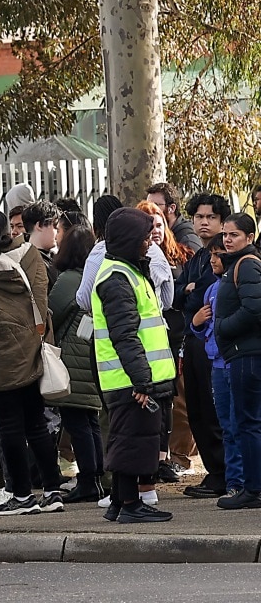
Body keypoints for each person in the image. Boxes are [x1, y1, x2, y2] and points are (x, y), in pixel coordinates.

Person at [0, 208, 65, 516]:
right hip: (34, 351)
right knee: (37, 425)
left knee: (8, 430)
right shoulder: (34, 257)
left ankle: (21, 496)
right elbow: (42, 302)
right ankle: (52, 490)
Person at [90, 207, 177, 523]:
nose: (149, 242)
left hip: (132, 377)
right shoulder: (117, 278)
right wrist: (142, 381)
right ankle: (130, 504)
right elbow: (125, 336)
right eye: (144, 237)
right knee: (132, 442)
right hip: (129, 379)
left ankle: (119, 502)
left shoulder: (127, 271)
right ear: (129, 239)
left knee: (133, 438)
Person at [135, 199, 196, 481]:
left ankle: (171, 456)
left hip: (175, 336)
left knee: (172, 399)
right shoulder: (136, 259)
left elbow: (174, 296)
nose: (155, 231)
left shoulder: (182, 254)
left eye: (159, 224)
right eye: (149, 226)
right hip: (152, 337)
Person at [178, 193, 231, 497]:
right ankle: (213, 471)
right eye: (199, 217)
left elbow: (202, 296)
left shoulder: (224, 255)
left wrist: (191, 292)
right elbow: (174, 293)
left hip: (211, 342)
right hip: (192, 338)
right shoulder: (197, 256)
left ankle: (222, 473)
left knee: (212, 410)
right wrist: (187, 290)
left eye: (211, 217)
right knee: (195, 409)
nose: (204, 222)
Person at [49, 225, 106, 503]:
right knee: (89, 421)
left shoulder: (69, 279)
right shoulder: (95, 275)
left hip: (71, 360)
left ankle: (87, 480)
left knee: (76, 422)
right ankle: (96, 478)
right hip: (90, 353)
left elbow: (52, 314)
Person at [188, 235, 245, 498]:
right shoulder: (212, 288)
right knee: (226, 426)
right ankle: (233, 481)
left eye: (218, 254)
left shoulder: (239, 281)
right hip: (217, 365)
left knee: (239, 424)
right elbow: (206, 331)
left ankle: (243, 480)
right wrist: (197, 323)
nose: (213, 260)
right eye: (211, 254)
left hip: (236, 362)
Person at [213, 213, 261, 509]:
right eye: (226, 235)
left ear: (250, 238)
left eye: (234, 235)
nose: (228, 240)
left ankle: (252, 488)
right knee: (248, 422)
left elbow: (254, 308)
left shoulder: (246, 266)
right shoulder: (238, 265)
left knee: (248, 423)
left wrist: (223, 327)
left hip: (247, 355)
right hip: (241, 354)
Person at [147, 182, 201, 252]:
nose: (149, 210)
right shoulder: (158, 235)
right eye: (148, 205)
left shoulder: (188, 241)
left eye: (155, 205)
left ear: (172, 208)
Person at [22, 200, 61, 290]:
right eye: (54, 225)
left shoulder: (25, 256)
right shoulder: (33, 261)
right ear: (39, 225)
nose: (58, 230)